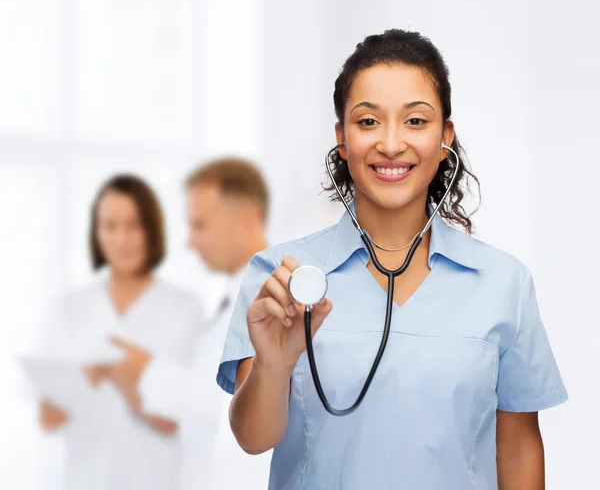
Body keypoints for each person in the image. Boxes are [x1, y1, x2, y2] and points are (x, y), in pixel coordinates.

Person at [217, 30, 568, 489]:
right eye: (367, 122)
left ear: (445, 138)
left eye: (415, 122)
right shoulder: (281, 276)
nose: (390, 143)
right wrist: (274, 364)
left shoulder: (504, 283)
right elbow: (254, 438)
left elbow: (518, 452)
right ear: (341, 139)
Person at [106, 158, 273, 490]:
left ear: (247, 219)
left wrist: (147, 371)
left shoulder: (274, 300)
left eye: (200, 226)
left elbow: (247, 407)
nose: (190, 243)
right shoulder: (233, 295)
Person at [38, 174, 205, 490]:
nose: (122, 239)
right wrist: (88, 380)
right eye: (110, 226)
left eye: (134, 225)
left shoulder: (184, 308)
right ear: (96, 233)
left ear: (151, 229)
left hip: (155, 478)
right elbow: (48, 419)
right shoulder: (68, 308)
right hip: (83, 478)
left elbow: (171, 419)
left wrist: (115, 373)